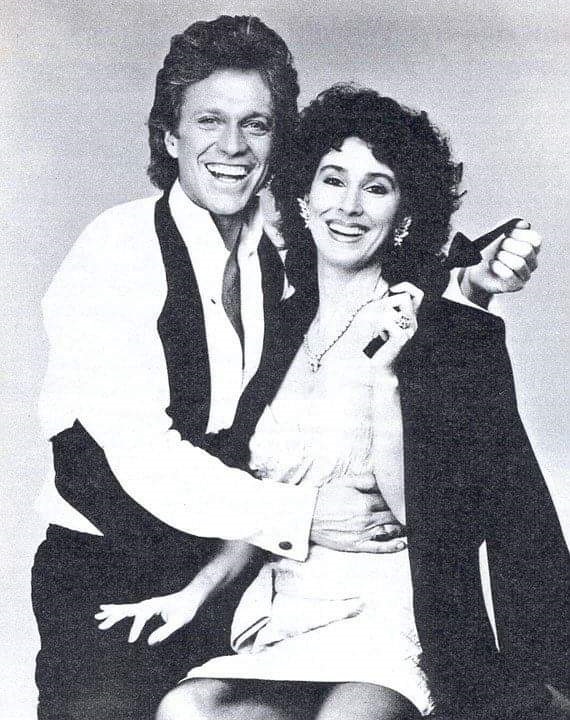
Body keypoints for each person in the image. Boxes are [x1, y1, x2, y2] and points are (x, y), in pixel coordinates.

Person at [32, 15, 544, 720]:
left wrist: (470, 291)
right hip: (121, 563)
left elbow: (396, 309)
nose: (233, 146)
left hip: (300, 584)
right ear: (169, 136)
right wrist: (295, 521)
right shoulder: (118, 252)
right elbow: (146, 458)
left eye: (257, 125)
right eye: (209, 120)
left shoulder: (277, 268)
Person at [139, 86, 566, 720]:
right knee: (189, 709)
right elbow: (260, 500)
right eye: (333, 180)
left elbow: (432, 519)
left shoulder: (444, 332)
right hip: (284, 609)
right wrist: (192, 594)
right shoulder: (268, 330)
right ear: (303, 199)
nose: (349, 206)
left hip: (393, 616)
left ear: (405, 215)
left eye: (377, 187)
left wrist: (383, 376)